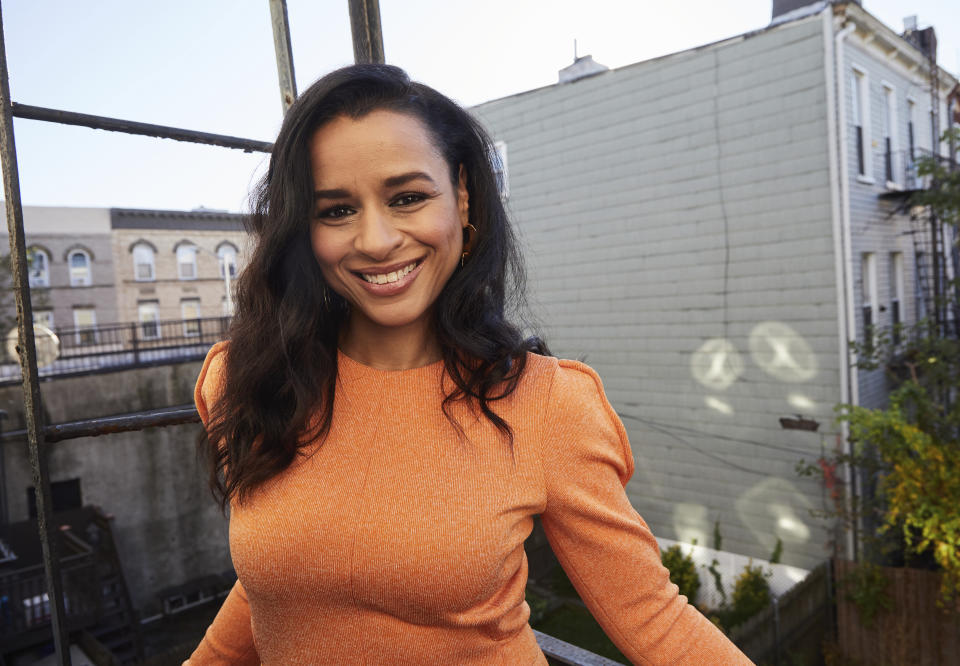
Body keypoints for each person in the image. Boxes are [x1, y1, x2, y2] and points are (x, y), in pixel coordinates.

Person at [186, 64, 751, 665]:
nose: (376, 240)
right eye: (336, 211)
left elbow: (650, 614)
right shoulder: (244, 381)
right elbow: (277, 583)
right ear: (302, 228)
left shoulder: (547, 405)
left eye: (408, 197)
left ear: (461, 196)